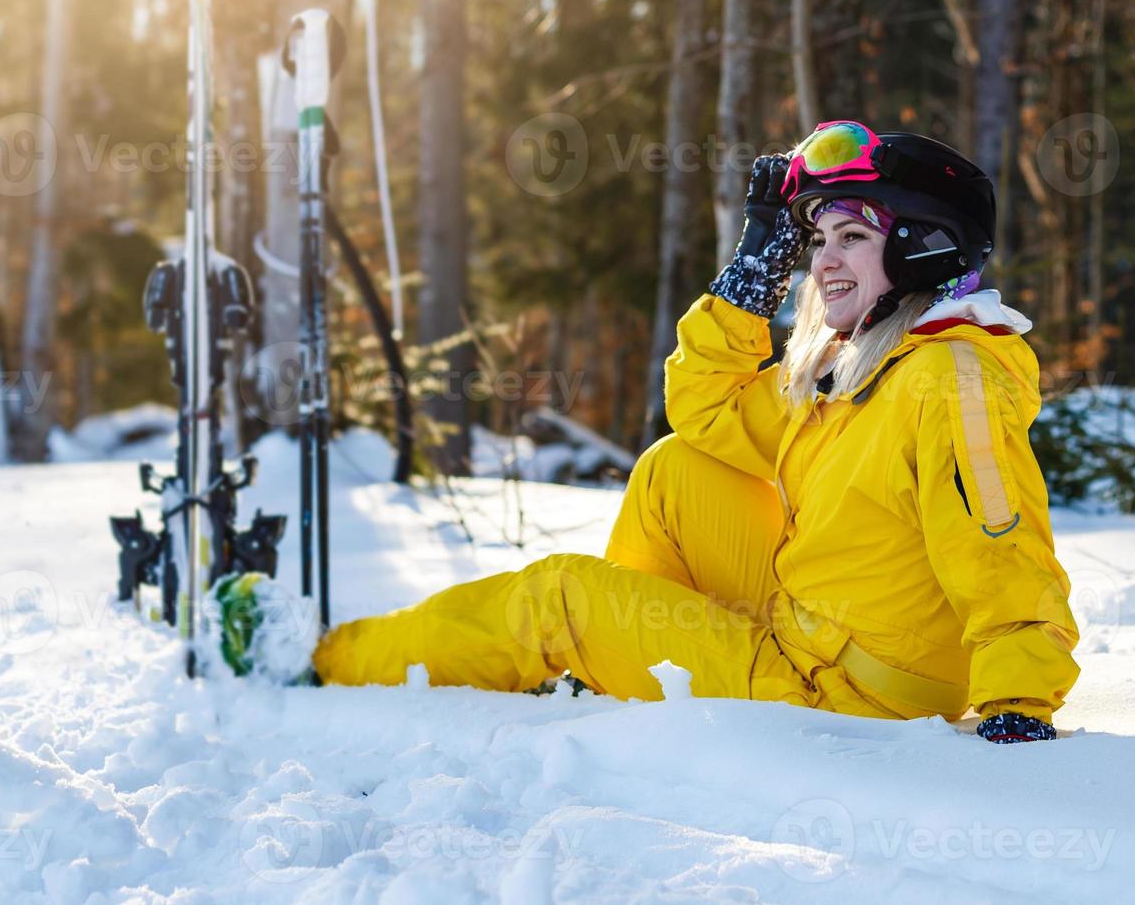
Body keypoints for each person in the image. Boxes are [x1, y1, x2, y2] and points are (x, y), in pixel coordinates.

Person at [310, 120, 1080, 744]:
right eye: (817, 241)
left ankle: (335, 661)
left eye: (852, 237)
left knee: (558, 595)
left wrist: (1019, 701)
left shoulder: (946, 378)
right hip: (819, 634)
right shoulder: (867, 368)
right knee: (677, 471)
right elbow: (704, 410)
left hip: (843, 691)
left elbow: (1000, 540)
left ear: (919, 246)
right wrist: (752, 272)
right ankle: (619, 674)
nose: (822, 264)